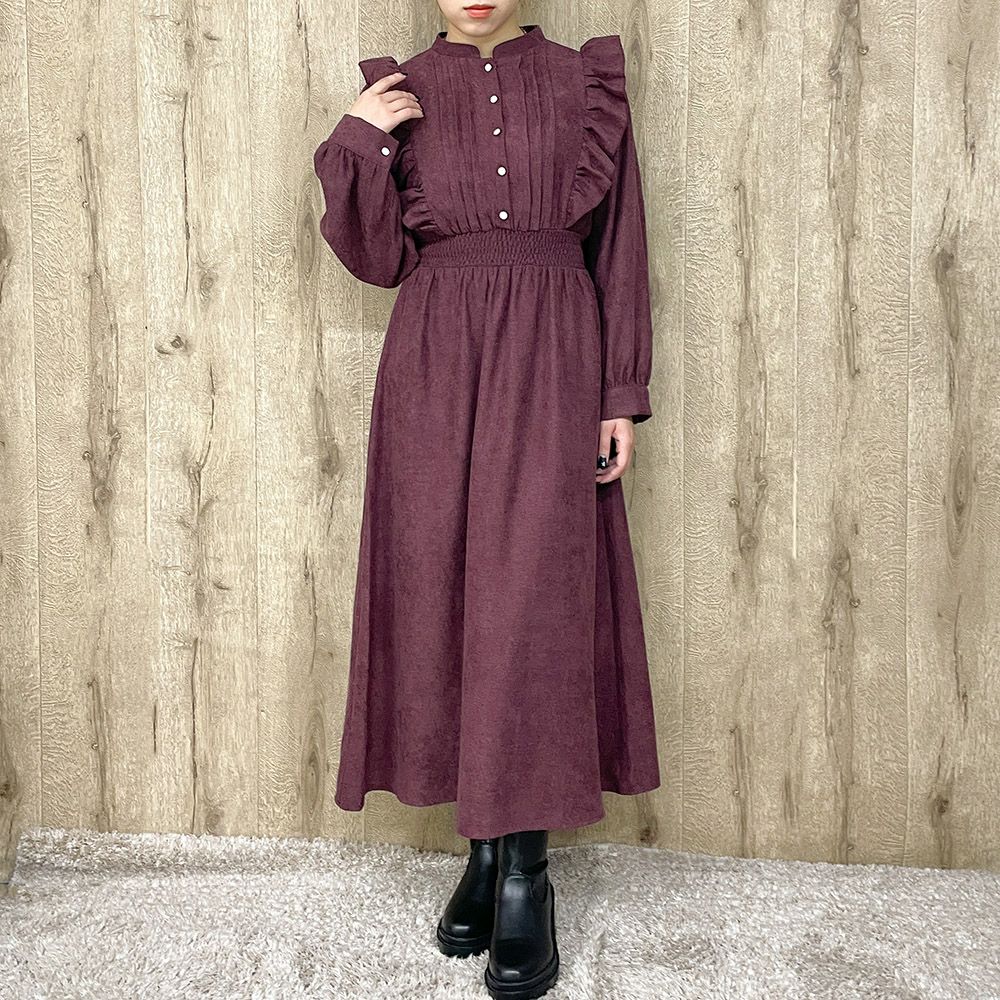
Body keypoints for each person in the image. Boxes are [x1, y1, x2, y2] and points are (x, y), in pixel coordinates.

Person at [312, 2, 660, 996]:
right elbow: (378, 260)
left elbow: (621, 242)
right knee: (443, 596)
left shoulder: (585, 82)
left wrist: (620, 392)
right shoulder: (398, 90)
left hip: (554, 355)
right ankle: (482, 849)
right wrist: (359, 139)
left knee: (532, 607)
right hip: (435, 363)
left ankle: (525, 873)